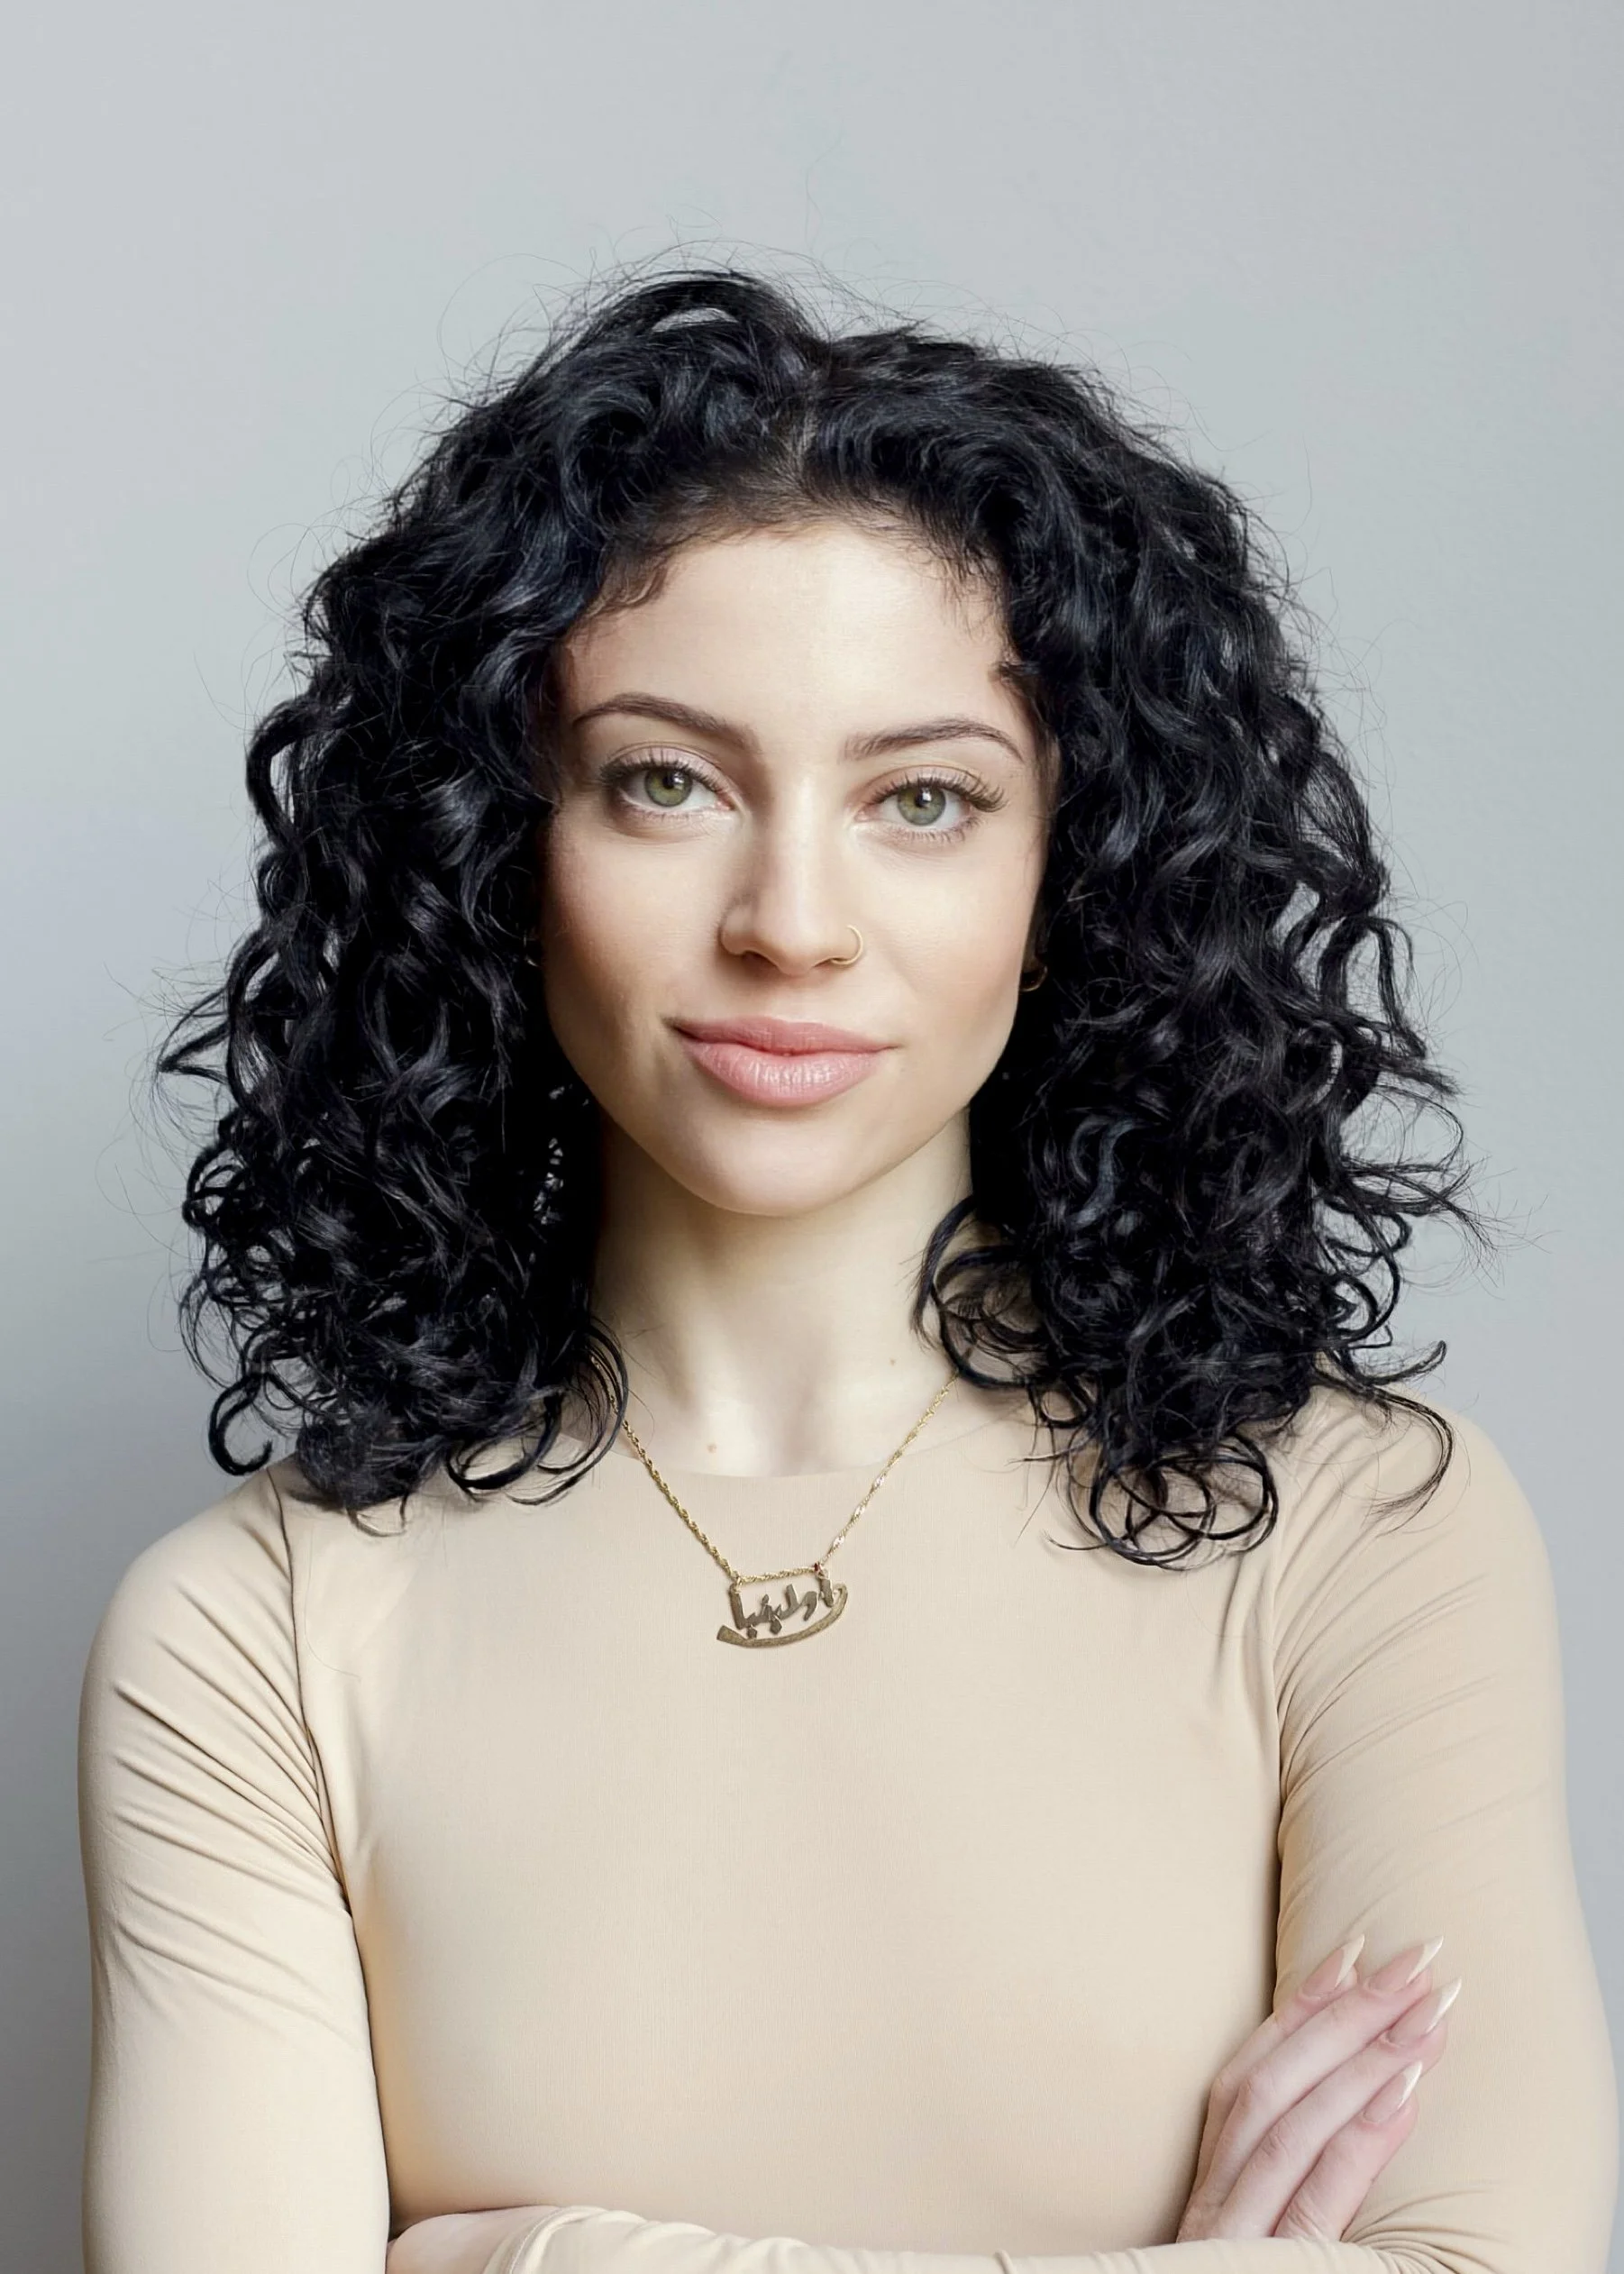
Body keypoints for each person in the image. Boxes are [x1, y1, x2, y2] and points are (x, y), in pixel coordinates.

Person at [78, 267, 1617, 2274]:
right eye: (665, 780)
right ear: (496, 848)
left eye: (923, 799)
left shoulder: (1361, 1535)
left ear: (1069, 874)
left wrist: (517, 2256)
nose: (789, 922)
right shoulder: (251, 1635)